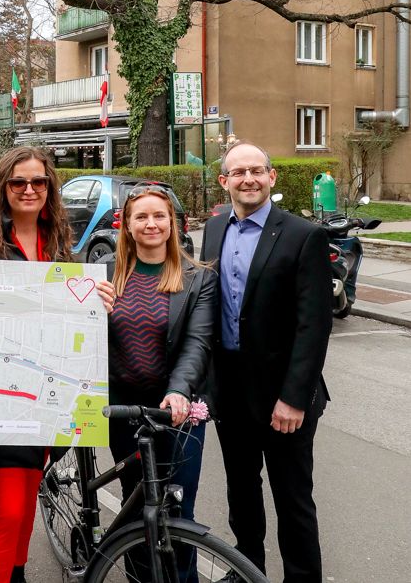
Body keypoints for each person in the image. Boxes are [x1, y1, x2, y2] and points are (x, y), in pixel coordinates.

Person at [201, 141, 332, 583]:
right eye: (238, 173)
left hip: (284, 397)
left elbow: (313, 327)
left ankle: (301, 576)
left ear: (272, 177)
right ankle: (247, 568)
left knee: (292, 499)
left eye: (257, 171)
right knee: (242, 492)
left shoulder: (302, 235)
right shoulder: (215, 229)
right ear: (224, 182)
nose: (249, 179)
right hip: (232, 393)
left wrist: (294, 399)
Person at [0, 147, 73, 583]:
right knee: (7, 506)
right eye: (18, 182)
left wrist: (92, 302)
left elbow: (67, 310)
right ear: (2, 187)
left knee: (27, 493)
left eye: (38, 182)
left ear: (49, 187)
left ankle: (16, 574)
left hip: (45, 393)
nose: (28, 189)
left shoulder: (58, 239)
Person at [95, 184, 215, 582]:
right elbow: (81, 334)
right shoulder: (105, 272)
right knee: (135, 513)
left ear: (173, 224)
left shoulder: (198, 278)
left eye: (159, 216)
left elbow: (198, 341)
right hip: (125, 410)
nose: (151, 224)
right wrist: (90, 308)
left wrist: (179, 390)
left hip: (177, 411)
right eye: (141, 217)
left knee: (178, 510)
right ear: (126, 226)